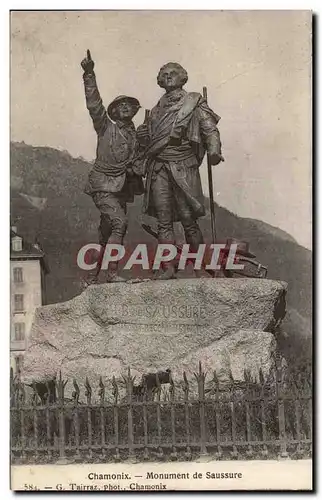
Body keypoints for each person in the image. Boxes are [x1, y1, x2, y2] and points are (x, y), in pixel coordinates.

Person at [137, 62, 224, 279]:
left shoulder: (193, 102)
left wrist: (214, 151)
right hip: (158, 168)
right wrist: (144, 135)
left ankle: (200, 265)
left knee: (188, 218)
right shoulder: (156, 109)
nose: (167, 77)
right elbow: (150, 138)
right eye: (163, 74)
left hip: (183, 166)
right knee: (164, 220)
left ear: (183, 78)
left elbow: (210, 129)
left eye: (172, 74)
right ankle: (168, 268)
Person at [81, 50, 144, 283]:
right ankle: (112, 273)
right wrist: (89, 74)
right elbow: (94, 104)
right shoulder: (105, 127)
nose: (126, 107)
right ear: (114, 111)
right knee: (120, 223)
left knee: (106, 233)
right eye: (121, 105)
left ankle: (90, 277)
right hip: (103, 185)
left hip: (121, 190)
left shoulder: (137, 136)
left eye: (130, 105)